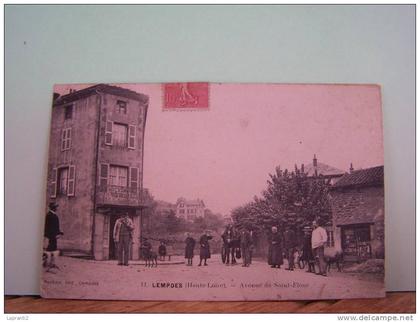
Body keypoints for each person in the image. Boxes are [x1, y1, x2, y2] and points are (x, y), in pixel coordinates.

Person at [44, 202, 63, 269]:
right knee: (50, 248)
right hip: (51, 235)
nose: (57, 208)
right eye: (56, 207)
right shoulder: (49, 215)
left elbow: (56, 226)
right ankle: (47, 262)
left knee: (53, 248)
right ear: (53, 208)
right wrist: (53, 235)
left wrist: (59, 232)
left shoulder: (54, 215)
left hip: (53, 235)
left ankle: (51, 263)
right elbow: (48, 227)